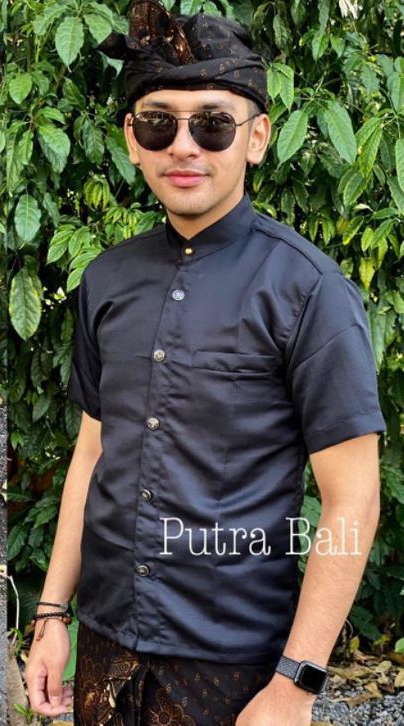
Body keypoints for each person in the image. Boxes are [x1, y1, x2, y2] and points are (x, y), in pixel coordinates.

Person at [25, 2, 386, 724]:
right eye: (160, 124)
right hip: (105, 641)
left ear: (257, 138)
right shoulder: (105, 280)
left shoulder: (309, 292)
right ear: (133, 141)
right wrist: (52, 614)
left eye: (213, 124)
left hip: (233, 667)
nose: (184, 147)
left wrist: (296, 684)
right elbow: (92, 453)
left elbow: (353, 501)